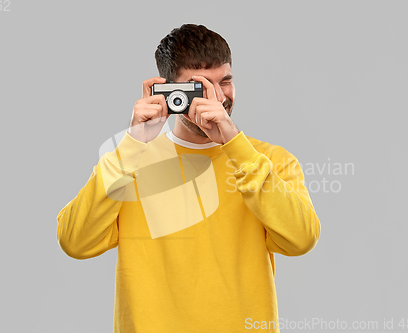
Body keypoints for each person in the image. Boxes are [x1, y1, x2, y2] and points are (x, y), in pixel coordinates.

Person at [57, 23, 321, 333]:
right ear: (167, 92)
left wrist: (235, 144)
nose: (217, 98)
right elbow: (75, 242)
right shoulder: (129, 159)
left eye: (226, 81)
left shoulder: (270, 160)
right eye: (200, 87)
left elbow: (302, 239)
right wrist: (132, 145)